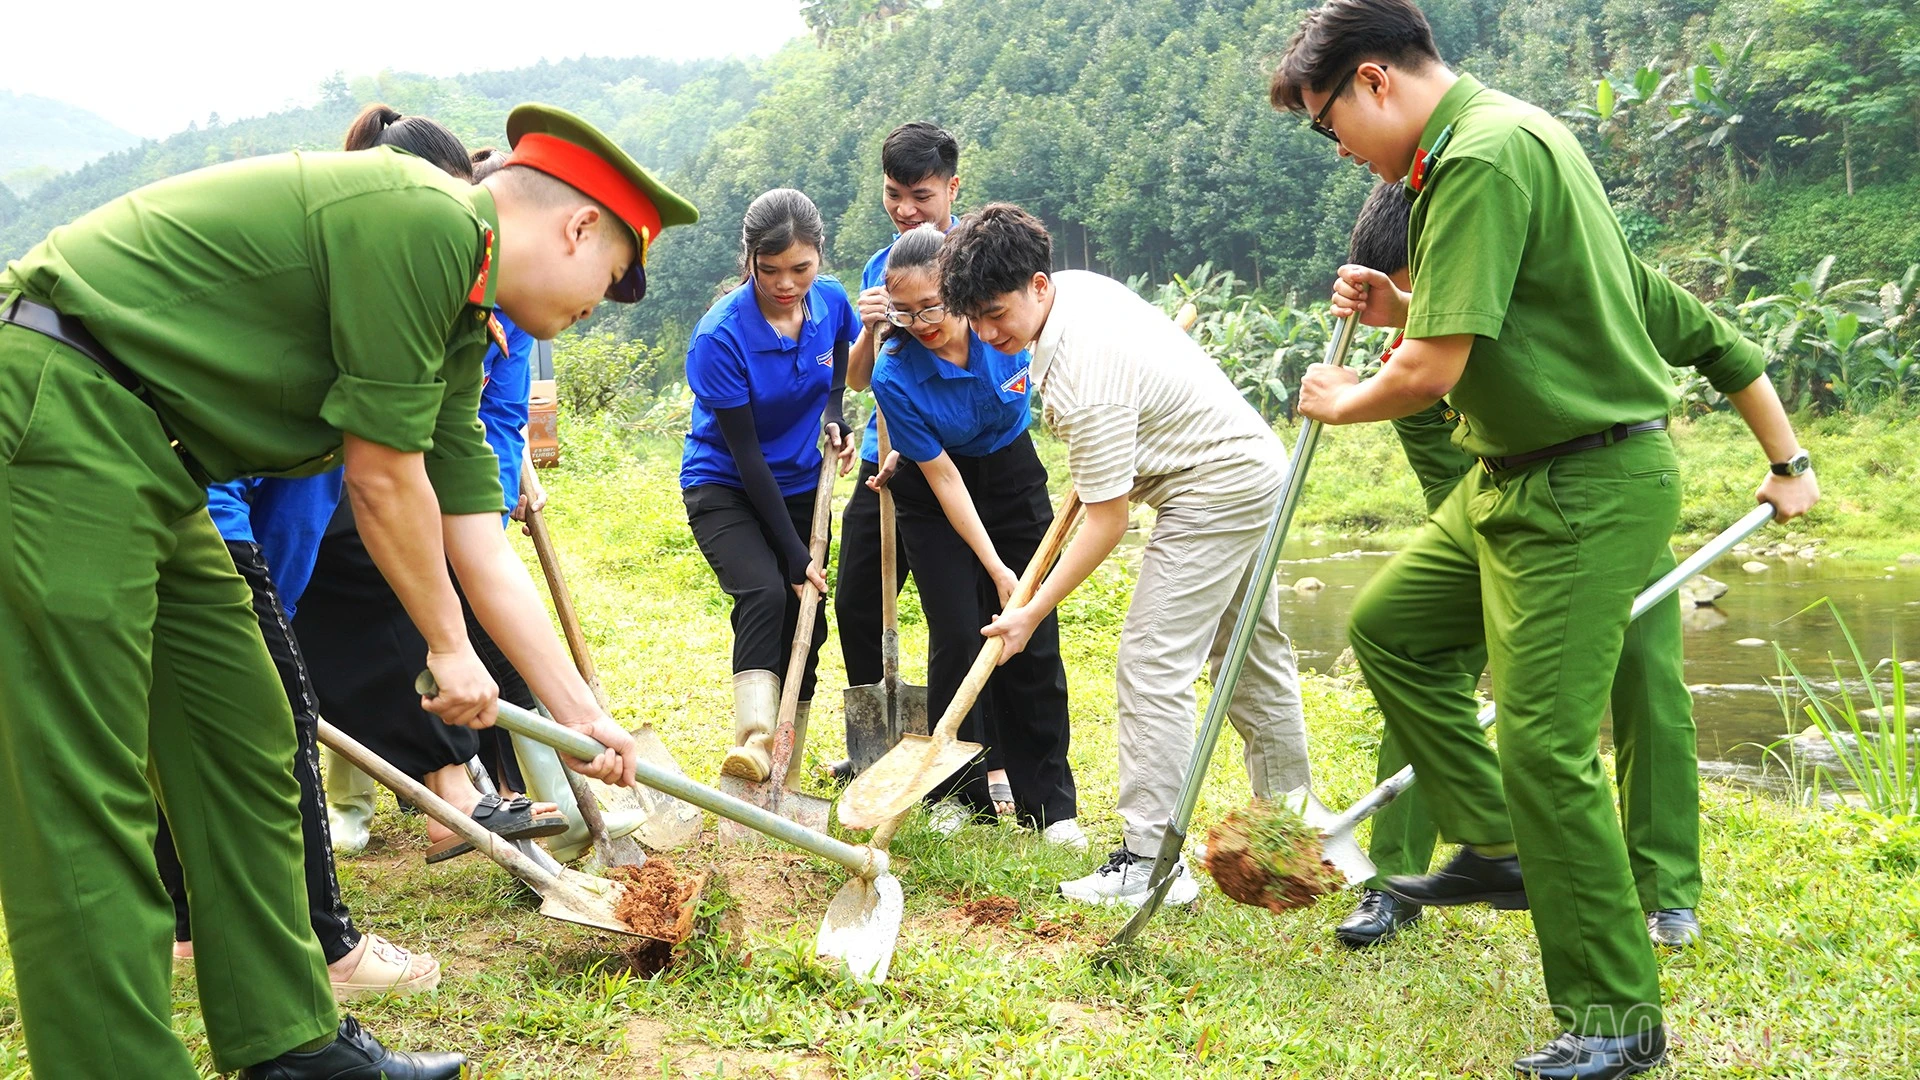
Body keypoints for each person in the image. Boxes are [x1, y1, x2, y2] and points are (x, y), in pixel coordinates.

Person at [0, 100, 685, 1078]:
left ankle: (289, 1046)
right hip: (61, 406)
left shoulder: (463, 318)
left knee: (244, 731)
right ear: (578, 227)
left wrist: (584, 716)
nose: (597, 307)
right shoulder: (423, 221)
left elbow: (472, 527)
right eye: (610, 279)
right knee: (84, 783)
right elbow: (381, 477)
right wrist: (446, 648)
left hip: (156, 456)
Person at [1270, 4, 1817, 1076]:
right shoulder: (1499, 141)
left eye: (1328, 124)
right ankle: (1498, 842)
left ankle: (1618, 1017)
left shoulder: (1479, 157)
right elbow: (1520, 314)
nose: (1336, 149)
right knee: (1390, 627)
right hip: (1508, 478)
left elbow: (1432, 372)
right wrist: (1403, 307)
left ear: (1373, 80)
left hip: (1582, 485)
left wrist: (1345, 398)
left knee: (1546, 746)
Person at [1334, 182, 1709, 952]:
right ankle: (1393, 883)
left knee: (1649, 680)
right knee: (1426, 666)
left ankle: (1666, 890)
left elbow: (1694, 355)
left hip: (1612, 508)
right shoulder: (1408, 375)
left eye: (1427, 287)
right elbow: (1453, 488)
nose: (1426, 310)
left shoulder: (1570, 293)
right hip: (1494, 528)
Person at [936, 203, 1312, 907]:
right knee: (1250, 655)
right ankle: (1291, 828)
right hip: (1253, 465)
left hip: (1214, 485)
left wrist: (1030, 612)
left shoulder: (1085, 372)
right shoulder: (1076, 292)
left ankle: (1149, 862)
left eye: (996, 314)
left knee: (1151, 661)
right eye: (975, 320)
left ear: (1037, 285)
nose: (987, 334)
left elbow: (1107, 523)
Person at [864, 224, 1082, 847]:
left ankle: (1050, 806)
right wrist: (994, 566)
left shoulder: (1006, 334)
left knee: (1032, 637)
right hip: (937, 496)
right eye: (904, 312)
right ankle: (958, 794)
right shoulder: (894, 373)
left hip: (1013, 476)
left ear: (958, 291)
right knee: (960, 634)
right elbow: (943, 478)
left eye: (932, 306)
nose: (921, 323)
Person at [682, 188, 857, 783]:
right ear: (750, 259)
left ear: (819, 256)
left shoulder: (830, 300)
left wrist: (834, 411)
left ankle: (784, 767)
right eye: (770, 269)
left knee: (809, 615)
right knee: (766, 591)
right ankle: (754, 742)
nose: (786, 284)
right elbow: (748, 455)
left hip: (803, 483)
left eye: (800, 269)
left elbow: (839, 353)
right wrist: (793, 554)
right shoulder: (720, 337)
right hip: (726, 484)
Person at [825, 122, 966, 784]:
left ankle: (959, 750)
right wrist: (872, 325)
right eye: (893, 194)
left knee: (958, 616)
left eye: (921, 195)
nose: (906, 209)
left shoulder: (975, 258)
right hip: (885, 462)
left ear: (951, 188)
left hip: (957, 459)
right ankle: (876, 745)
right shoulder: (880, 268)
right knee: (855, 600)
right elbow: (859, 379)